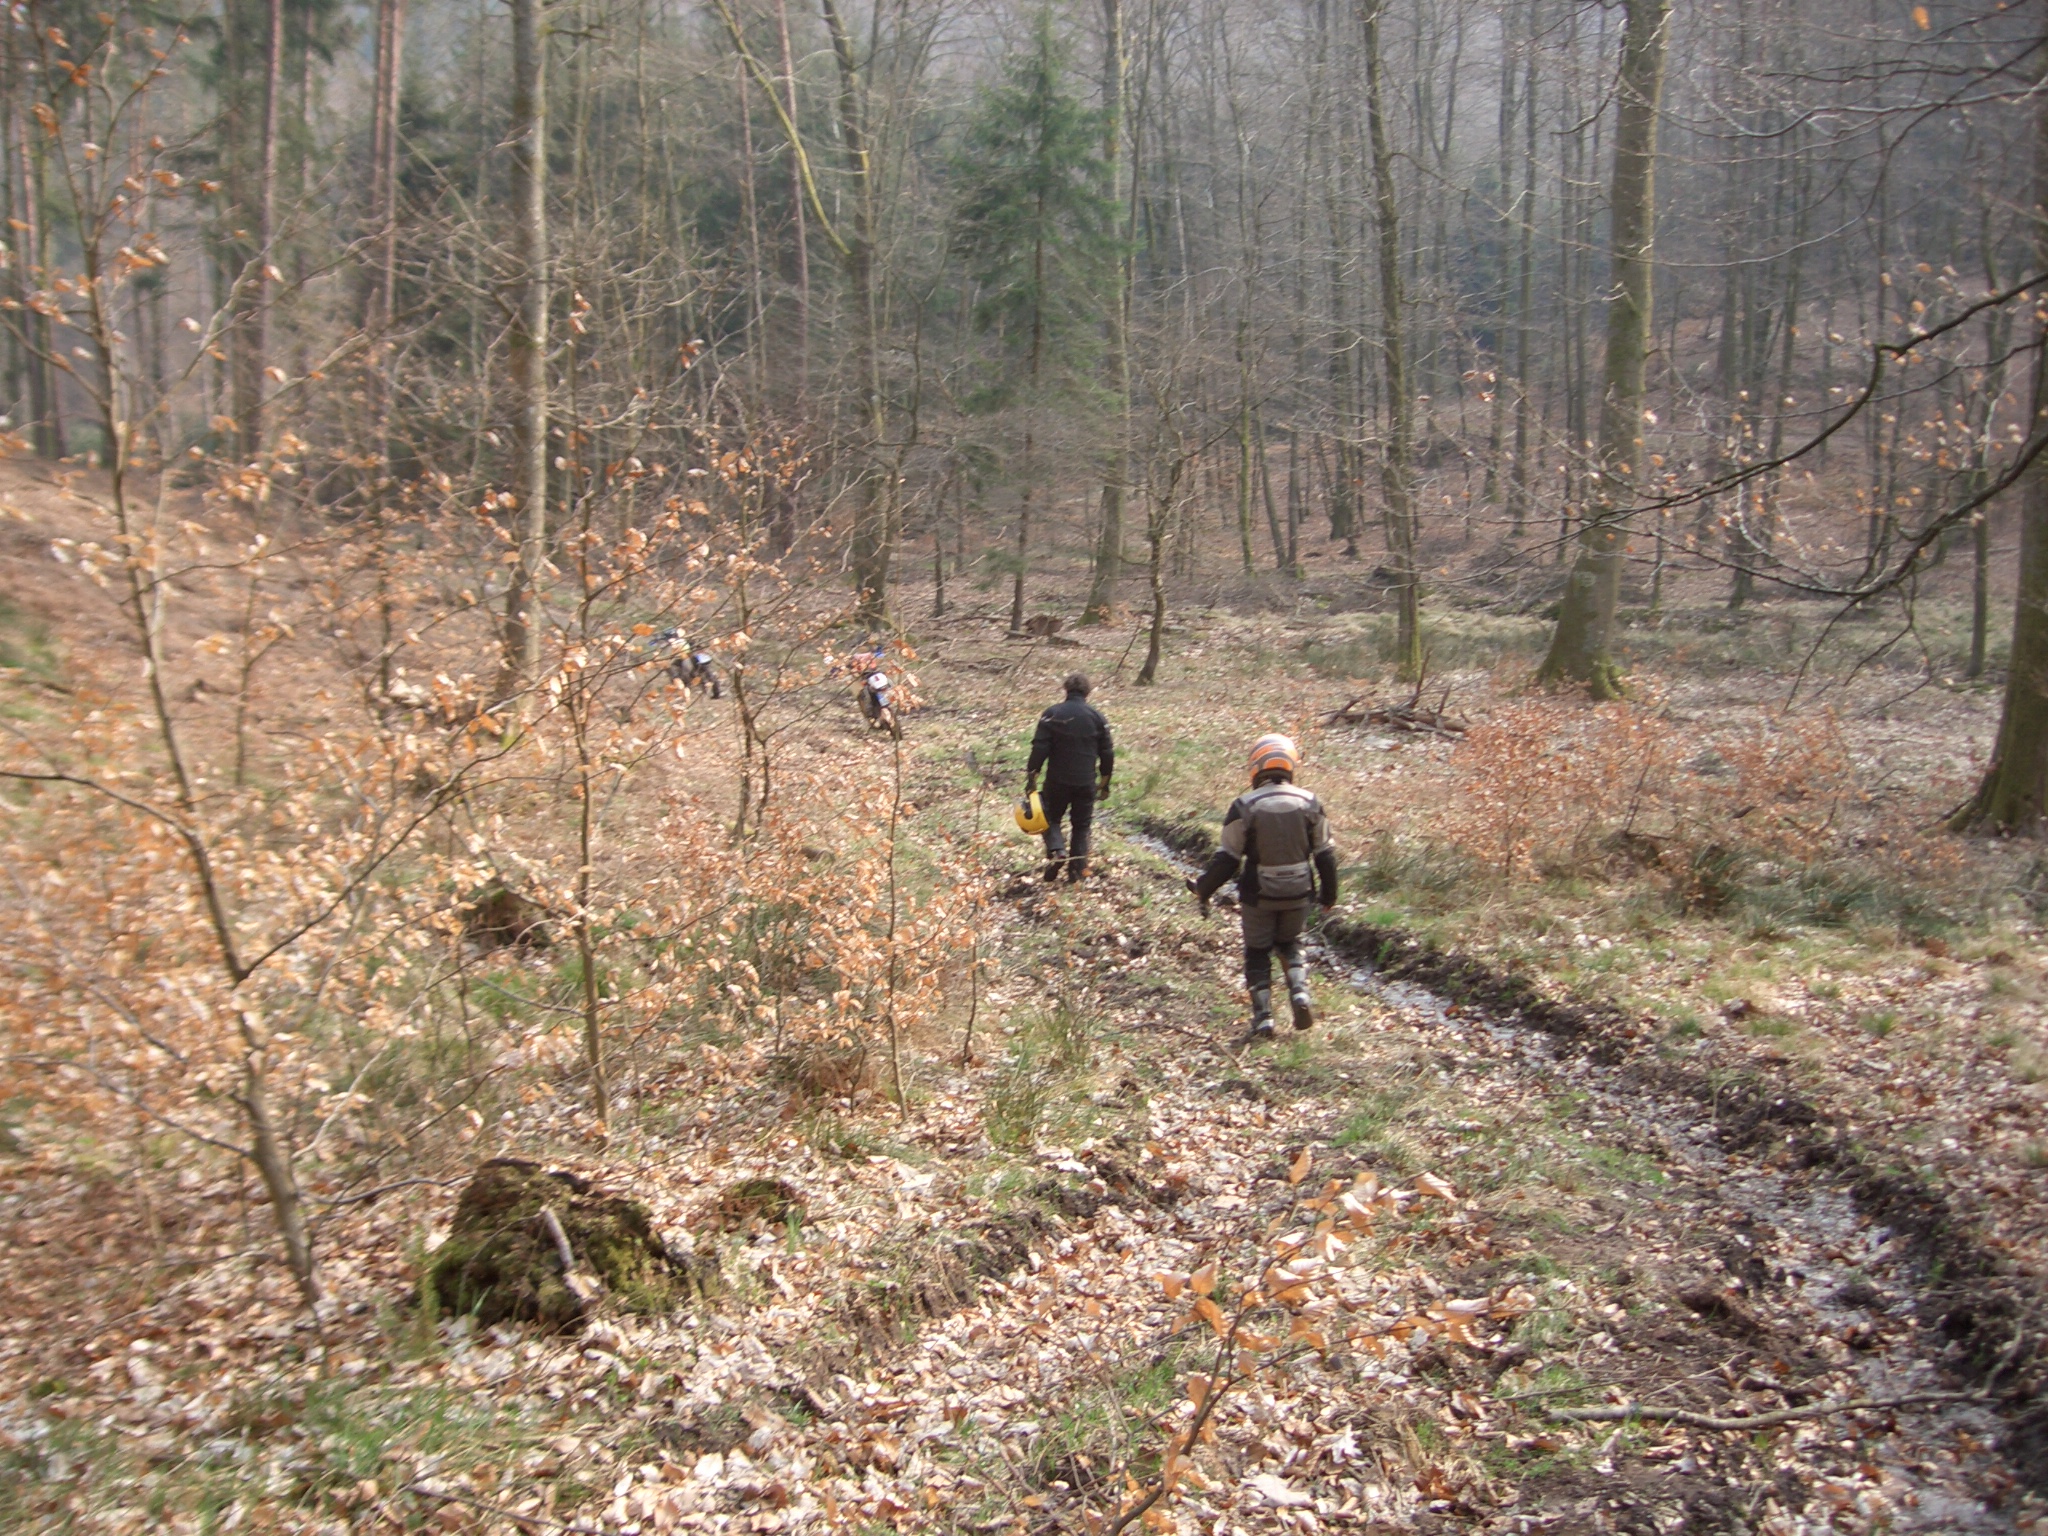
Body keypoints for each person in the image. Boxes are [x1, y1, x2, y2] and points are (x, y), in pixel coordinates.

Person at [1186, 733, 1339, 1041]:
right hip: (1299, 891)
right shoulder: (1311, 803)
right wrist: (1329, 894)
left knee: (1257, 952)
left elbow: (1227, 860)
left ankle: (1264, 1018)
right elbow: (1325, 854)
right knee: (1290, 943)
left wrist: (1204, 889)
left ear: (1256, 767)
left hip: (1259, 893)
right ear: (1290, 766)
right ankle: (1300, 992)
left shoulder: (1244, 806)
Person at [1024, 673, 1114, 883]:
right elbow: (1107, 753)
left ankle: (1057, 851)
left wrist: (1032, 775)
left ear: (1066, 689)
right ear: (1087, 692)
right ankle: (1076, 874)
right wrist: (1105, 781)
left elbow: (1039, 748)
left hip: (1057, 780)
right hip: (1086, 781)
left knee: (1050, 817)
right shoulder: (1098, 718)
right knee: (1081, 826)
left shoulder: (1052, 714)